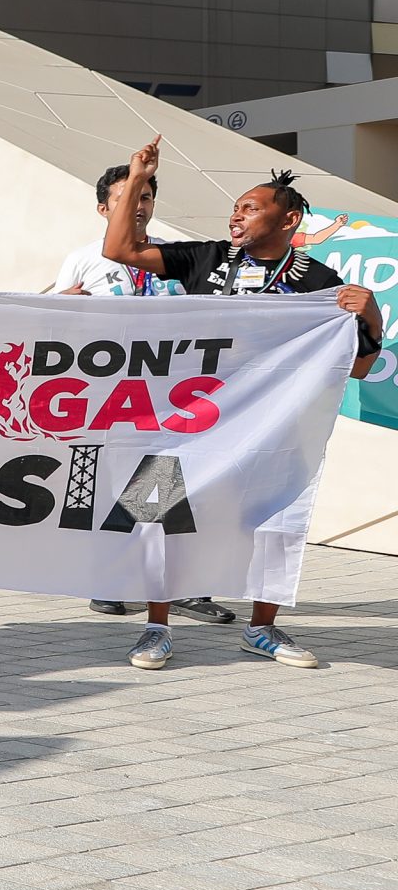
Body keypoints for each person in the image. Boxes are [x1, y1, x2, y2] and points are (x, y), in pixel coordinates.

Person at [99, 140, 381, 670]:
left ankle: (263, 629)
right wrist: (138, 177)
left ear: (288, 218)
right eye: (235, 207)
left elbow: (360, 366)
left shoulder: (320, 282)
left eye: (250, 207)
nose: (237, 215)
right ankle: (155, 627)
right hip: (185, 419)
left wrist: (372, 320)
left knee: (273, 523)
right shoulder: (206, 257)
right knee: (159, 515)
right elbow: (119, 252)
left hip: (269, 429)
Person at [53, 163, 235, 623]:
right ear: (103, 208)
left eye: (146, 198)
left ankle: (186, 586)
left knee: (176, 480)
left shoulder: (173, 256)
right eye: (125, 198)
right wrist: (65, 306)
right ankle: (112, 581)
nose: (137, 205)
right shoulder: (83, 258)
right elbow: (55, 323)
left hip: (173, 394)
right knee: (115, 485)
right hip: (111, 395)